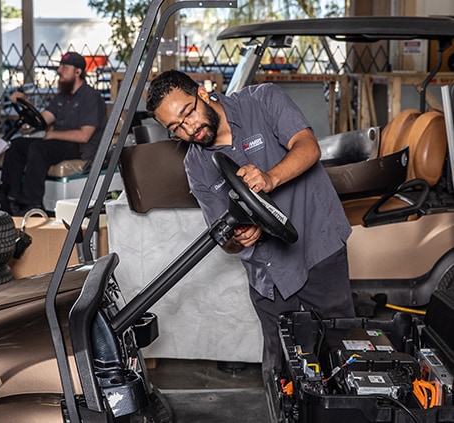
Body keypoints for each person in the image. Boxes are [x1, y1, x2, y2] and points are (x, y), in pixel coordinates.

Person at [146, 70, 355, 401]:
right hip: (267, 276)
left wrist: (270, 179)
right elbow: (224, 238)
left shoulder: (263, 100)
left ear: (203, 93)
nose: (189, 129)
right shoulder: (196, 166)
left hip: (318, 250)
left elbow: (308, 147)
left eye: (188, 113)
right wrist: (238, 237)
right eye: (176, 128)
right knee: (281, 372)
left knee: (341, 353)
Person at [1, 51, 107, 214]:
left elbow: (84, 136)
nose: (59, 71)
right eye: (60, 67)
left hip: (80, 148)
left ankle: (32, 203)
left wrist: (53, 135)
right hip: (60, 143)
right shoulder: (62, 97)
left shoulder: (91, 97)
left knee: (39, 148)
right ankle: (11, 196)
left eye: (65, 67)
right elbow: (41, 120)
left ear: (78, 72)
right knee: (16, 145)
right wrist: (24, 102)